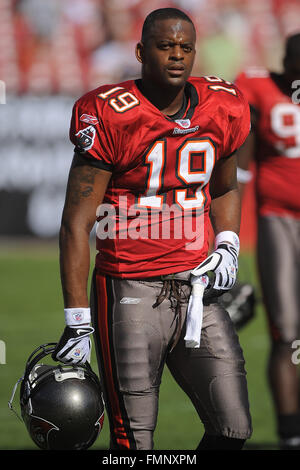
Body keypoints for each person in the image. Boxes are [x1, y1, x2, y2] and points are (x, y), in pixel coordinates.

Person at [52, 7, 252, 450]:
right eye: (165, 46)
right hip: (131, 290)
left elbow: (225, 187)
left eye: (185, 47)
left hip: (198, 286)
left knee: (234, 427)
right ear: (142, 51)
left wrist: (228, 243)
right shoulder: (110, 112)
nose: (177, 56)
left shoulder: (223, 104)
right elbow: (76, 223)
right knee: (134, 440)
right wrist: (78, 321)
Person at [234, 33, 300, 450]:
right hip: (279, 218)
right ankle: (291, 434)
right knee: (288, 332)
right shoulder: (257, 86)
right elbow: (239, 170)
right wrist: (225, 239)